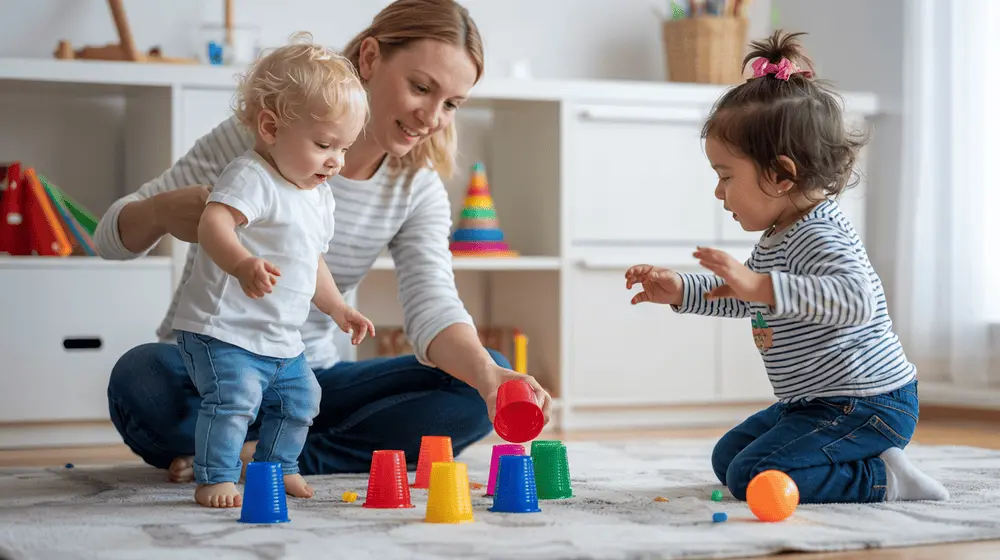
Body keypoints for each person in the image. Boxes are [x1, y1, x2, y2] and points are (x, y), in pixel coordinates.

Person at [96, 0, 552, 484]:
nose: (432, 117)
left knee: (482, 376)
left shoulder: (417, 187)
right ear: (372, 59)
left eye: (452, 104)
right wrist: (162, 211)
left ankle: (265, 455)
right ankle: (278, 447)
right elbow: (110, 239)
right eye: (421, 88)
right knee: (141, 378)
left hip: (308, 376)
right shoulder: (264, 133)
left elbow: (433, 306)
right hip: (212, 366)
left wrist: (487, 378)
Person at [624, 30, 949, 504]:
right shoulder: (779, 235)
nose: (719, 193)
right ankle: (865, 463)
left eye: (725, 177)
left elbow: (855, 300)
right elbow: (744, 294)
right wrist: (678, 289)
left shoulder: (821, 232)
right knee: (727, 459)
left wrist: (759, 284)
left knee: (750, 474)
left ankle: (883, 480)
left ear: (780, 175)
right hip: (815, 402)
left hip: (868, 403)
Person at [173, 36, 377, 508]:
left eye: (344, 148)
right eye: (324, 144)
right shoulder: (251, 177)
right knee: (233, 403)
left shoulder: (318, 194)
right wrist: (242, 263)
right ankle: (216, 476)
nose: (336, 160)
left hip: (281, 339)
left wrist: (338, 307)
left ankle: (276, 468)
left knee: (303, 400)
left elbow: (312, 263)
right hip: (223, 331)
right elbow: (214, 222)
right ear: (269, 127)